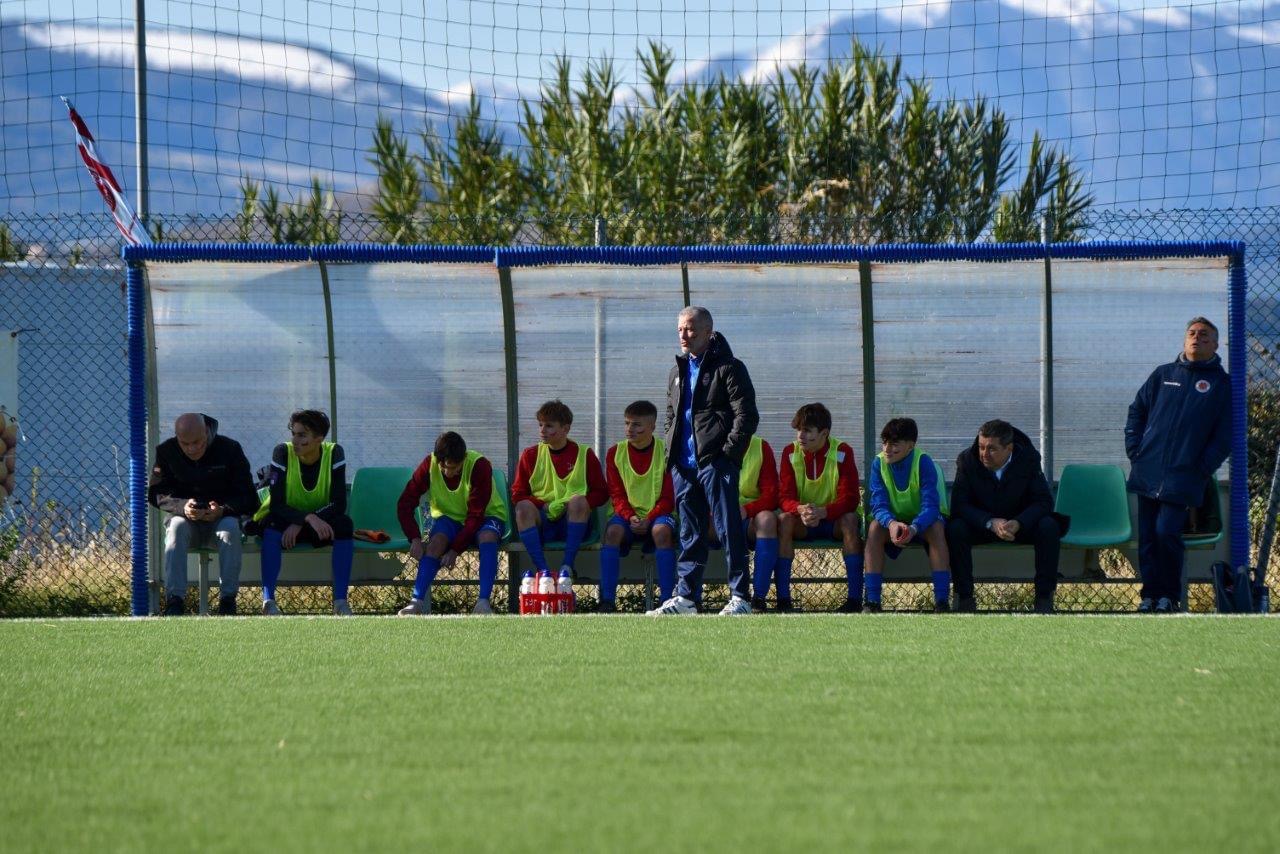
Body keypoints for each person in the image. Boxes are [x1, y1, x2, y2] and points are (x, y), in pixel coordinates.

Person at [649, 305, 759, 616]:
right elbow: (672, 416)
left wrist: (727, 455)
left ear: (708, 332)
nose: (684, 335)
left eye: (691, 329)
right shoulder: (677, 371)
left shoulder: (730, 368)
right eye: (681, 329)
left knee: (728, 529)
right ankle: (686, 599)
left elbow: (747, 415)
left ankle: (740, 597)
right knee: (690, 532)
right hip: (684, 466)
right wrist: (672, 454)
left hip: (716, 463)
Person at [1125, 317, 1231, 613]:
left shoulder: (1221, 384)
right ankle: (1149, 596)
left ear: (1215, 344)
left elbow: (1223, 437)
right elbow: (1137, 412)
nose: (1197, 338)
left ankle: (1169, 596)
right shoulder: (1163, 374)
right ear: (1185, 340)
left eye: (1204, 335)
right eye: (1192, 333)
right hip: (1148, 472)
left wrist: (1200, 469)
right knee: (1147, 538)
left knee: (1166, 533)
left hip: (1184, 478)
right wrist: (1136, 451)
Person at [947, 419, 1068, 614]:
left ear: (1009, 448)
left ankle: (1044, 599)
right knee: (956, 528)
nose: (984, 454)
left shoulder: (1028, 459)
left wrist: (1019, 523)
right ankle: (965, 599)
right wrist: (989, 522)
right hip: (983, 526)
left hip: (1018, 526)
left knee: (1049, 526)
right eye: (981, 447)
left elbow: (1043, 502)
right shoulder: (967, 460)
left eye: (992, 449)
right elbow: (960, 505)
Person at [148, 413, 258, 616]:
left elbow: (250, 498)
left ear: (207, 432)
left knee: (230, 528)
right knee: (176, 527)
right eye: (185, 443)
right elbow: (155, 494)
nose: (191, 449)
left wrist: (222, 510)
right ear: (176, 438)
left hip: (222, 521)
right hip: (186, 524)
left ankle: (227, 601)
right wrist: (183, 507)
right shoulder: (166, 451)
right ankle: (174, 602)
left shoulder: (230, 449)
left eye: (197, 442)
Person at [253, 409, 355, 616]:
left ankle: (340, 603)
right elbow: (277, 503)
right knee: (271, 525)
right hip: (285, 519)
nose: (295, 440)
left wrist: (308, 520)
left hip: (318, 522)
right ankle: (268, 601)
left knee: (345, 524)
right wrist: (305, 518)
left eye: (302, 435)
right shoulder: (281, 452)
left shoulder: (335, 453)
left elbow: (339, 503)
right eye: (294, 433)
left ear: (319, 439)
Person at [395, 431, 508, 616]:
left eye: (458, 466)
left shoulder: (480, 465)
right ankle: (416, 602)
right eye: (448, 467)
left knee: (488, 537)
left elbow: (476, 515)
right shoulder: (428, 466)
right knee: (436, 544)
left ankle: (483, 603)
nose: (452, 471)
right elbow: (405, 503)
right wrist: (414, 538)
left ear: (464, 457)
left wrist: (455, 549)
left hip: (487, 517)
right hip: (449, 518)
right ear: (438, 461)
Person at [775, 403, 861, 613]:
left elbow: (851, 498)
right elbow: (784, 497)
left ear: (824, 433)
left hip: (833, 521)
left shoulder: (843, 451)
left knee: (851, 520)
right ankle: (783, 602)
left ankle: (855, 601)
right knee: (784, 520)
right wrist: (800, 509)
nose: (800, 436)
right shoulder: (789, 452)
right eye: (798, 430)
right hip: (803, 522)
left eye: (806, 430)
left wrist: (824, 512)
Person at [510, 400, 608, 582]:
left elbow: (602, 493)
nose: (542, 430)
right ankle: (543, 572)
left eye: (549, 426)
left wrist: (572, 504)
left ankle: (567, 566)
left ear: (566, 428)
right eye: (540, 425)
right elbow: (517, 493)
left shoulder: (584, 454)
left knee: (579, 501)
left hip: (574, 521)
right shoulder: (530, 455)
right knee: (523, 508)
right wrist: (544, 505)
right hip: (543, 522)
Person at [864, 417, 952, 612]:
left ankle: (942, 601)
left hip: (922, 522)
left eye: (894, 444)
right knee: (874, 528)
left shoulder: (923, 462)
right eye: (884, 442)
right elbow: (878, 504)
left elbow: (931, 507)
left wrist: (914, 527)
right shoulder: (878, 463)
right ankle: (872, 601)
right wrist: (892, 523)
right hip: (894, 523)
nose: (887, 448)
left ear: (911, 446)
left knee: (937, 528)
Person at [599, 401, 677, 612]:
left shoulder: (668, 450)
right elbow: (616, 494)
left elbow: (670, 498)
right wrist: (631, 516)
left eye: (636, 425)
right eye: (627, 424)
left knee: (662, 532)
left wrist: (650, 518)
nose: (629, 429)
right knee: (612, 532)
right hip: (627, 517)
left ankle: (668, 600)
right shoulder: (615, 452)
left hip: (659, 515)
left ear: (652, 426)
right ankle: (606, 601)